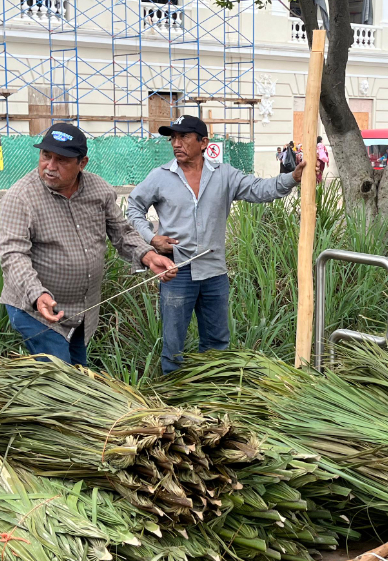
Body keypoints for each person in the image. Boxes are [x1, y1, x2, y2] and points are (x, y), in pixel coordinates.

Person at [128, 115, 316, 373]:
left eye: (184, 137)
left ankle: (212, 393)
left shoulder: (223, 175)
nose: (176, 143)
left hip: (214, 273)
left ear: (203, 142)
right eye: (173, 138)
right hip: (176, 271)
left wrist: (292, 178)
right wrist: (151, 238)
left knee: (217, 342)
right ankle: (172, 397)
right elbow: (134, 208)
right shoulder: (160, 177)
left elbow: (259, 189)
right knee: (174, 345)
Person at [0, 122, 177, 366]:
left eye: (61, 160)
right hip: (38, 311)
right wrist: (37, 294)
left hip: (84, 310)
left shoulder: (98, 189)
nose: (50, 167)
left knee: (79, 374)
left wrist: (147, 255)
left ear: (82, 163)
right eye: (45, 156)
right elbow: (13, 255)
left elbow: (121, 231)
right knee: (61, 383)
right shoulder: (21, 197)